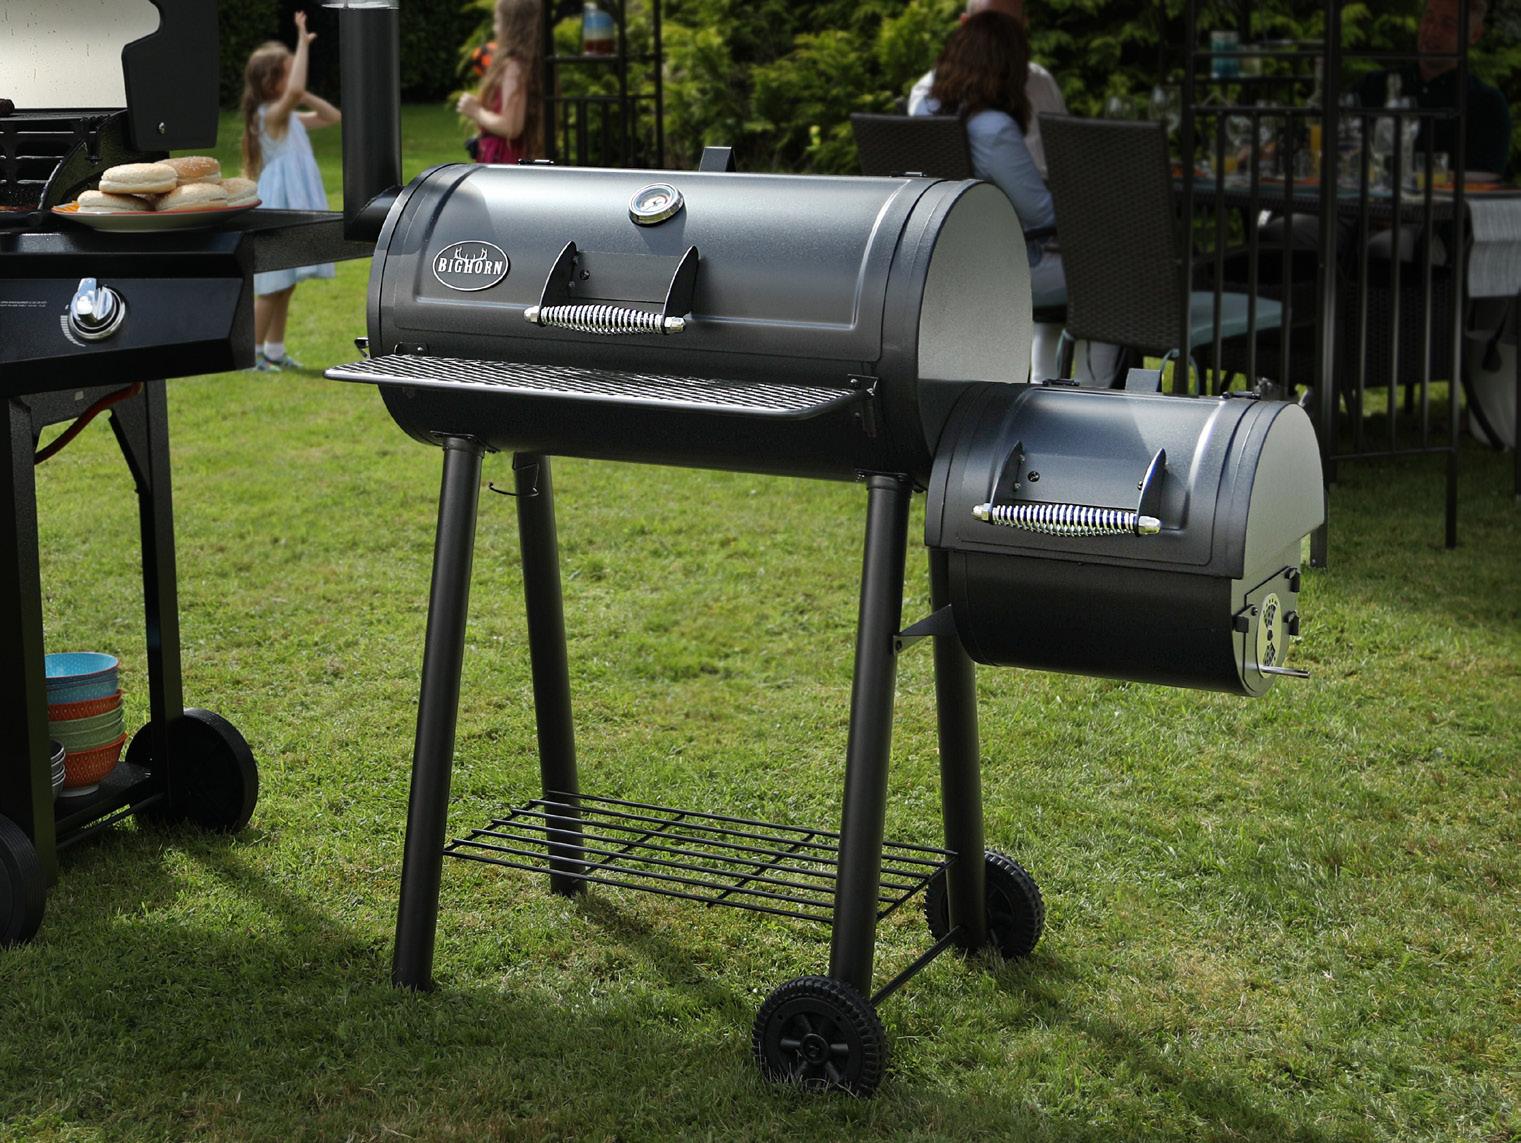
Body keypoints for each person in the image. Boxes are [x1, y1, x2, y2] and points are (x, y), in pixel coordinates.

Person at [917, 12, 1117, 383]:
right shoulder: (993, 129)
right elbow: (1041, 214)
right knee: (1112, 276)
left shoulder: (926, 112)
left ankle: (1043, 385)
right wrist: (1095, 207)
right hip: (1005, 269)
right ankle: (1097, 396)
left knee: (1065, 269)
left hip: (946, 263)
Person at [241, 11, 340, 373]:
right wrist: (301, 41)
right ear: (272, 82)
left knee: (287, 283)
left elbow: (332, 116)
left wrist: (301, 93)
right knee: (272, 285)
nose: (295, 79)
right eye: (288, 72)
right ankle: (249, 357)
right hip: (280, 202)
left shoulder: (289, 117)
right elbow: (295, 92)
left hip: (294, 200)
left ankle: (274, 351)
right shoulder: (269, 115)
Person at [908, 0, 1067, 178]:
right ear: (966, 25)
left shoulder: (1043, 83)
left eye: (1009, 27)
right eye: (988, 27)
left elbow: (1066, 155)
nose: (997, 39)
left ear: (1023, 26)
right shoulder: (930, 94)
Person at [1356, 0, 1510, 179]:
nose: (1432, 31)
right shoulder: (1373, 86)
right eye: (1428, 19)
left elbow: (1483, 181)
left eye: (1448, 24)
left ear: (1474, 35)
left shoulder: (1486, 104)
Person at [457, 0, 543, 165]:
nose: (495, 29)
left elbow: (511, 127)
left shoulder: (514, 66)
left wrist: (475, 111)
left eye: (498, 21)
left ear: (512, 26)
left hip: (505, 159)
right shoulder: (531, 63)